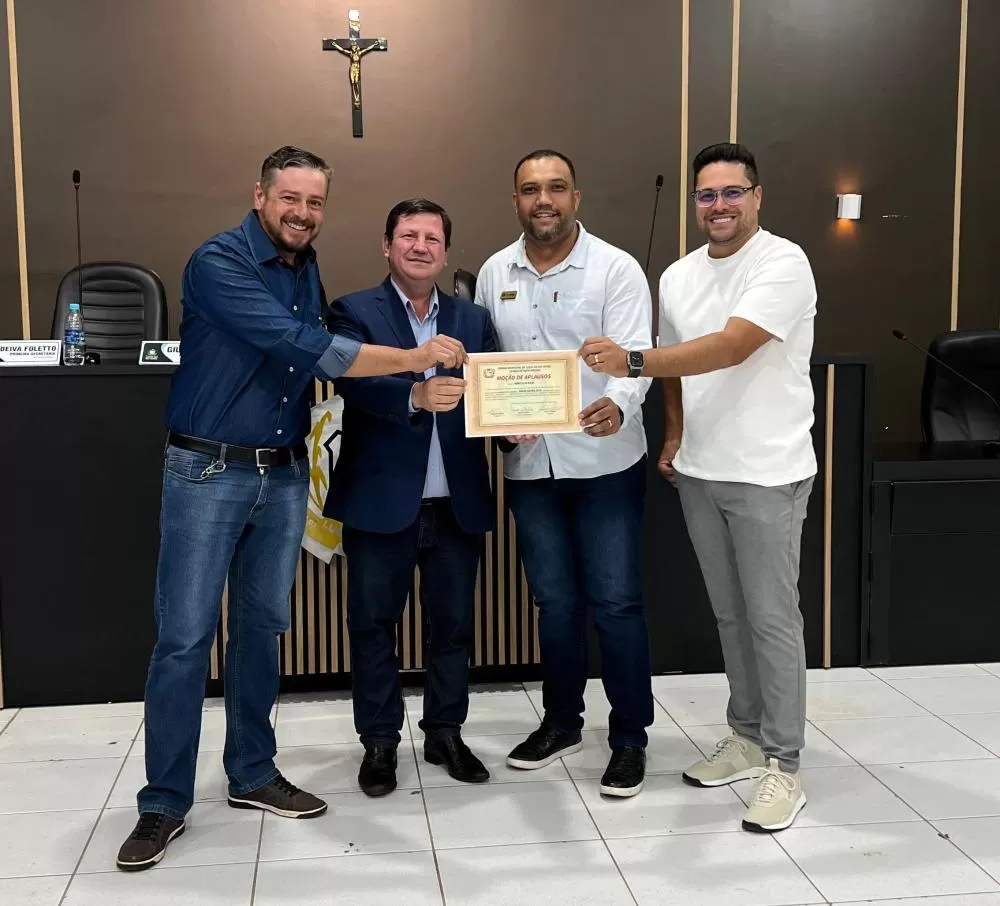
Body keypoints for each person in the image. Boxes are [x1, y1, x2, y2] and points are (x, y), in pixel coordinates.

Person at [116, 147, 467, 872]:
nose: (303, 213)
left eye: (315, 203)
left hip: (280, 475)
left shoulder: (304, 267)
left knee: (262, 629)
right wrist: (411, 359)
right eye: (290, 199)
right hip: (207, 469)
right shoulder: (219, 262)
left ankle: (251, 771)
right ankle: (164, 802)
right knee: (184, 639)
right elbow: (300, 346)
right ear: (261, 195)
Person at [581, 142, 818, 832]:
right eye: (707, 195)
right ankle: (746, 736)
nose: (719, 205)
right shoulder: (679, 276)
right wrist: (676, 438)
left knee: (773, 620)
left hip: (769, 471)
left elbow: (732, 345)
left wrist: (631, 358)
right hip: (702, 471)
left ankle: (785, 764)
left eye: (732, 192)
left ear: (757, 197)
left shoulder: (783, 262)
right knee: (730, 616)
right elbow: (678, 371)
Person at [475, 149, 655, 798]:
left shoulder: (616, 268)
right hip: (531, 467)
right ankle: (561, 723)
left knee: (616, 602)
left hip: (605, 461)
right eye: (530, 189)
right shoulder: (495, 271)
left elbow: (637, 356)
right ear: (516, 201)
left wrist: (621, 402)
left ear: (576, 197)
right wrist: (498, 422)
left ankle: (629, 738)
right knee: (554, 603)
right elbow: (488, 363)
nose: (543, 199)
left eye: (556, 187)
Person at [325, 198, 497, 796]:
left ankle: (445, 732)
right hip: (381, 502)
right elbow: (348, 377)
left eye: (432, 238)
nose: (420, 246)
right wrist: (413, 396)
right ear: (387, 246)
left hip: (455, 504)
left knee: (453, 627)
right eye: (408, 236)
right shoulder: (353, 310)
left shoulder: (472, 318)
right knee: (373, 626)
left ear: (445, 252)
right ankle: (379, 742)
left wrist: (515, 424)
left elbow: (492, 389)